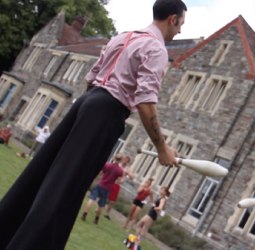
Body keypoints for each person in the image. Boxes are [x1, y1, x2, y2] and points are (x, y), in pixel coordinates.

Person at [0, 1, 186, 249]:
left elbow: (92, 76)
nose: (180, 31)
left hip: (87, 102)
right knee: (65, 190)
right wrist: (162, 147)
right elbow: (145, 101)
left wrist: (91, 107)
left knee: (41, 174)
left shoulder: (123, 37)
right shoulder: (156, 48)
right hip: (106, 112)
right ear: (173, 19)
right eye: (181, 24)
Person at [81, 154, 127, 224]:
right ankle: (96, 219)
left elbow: (100, 173)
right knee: (101, 205)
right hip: (107, 189)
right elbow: (120, 182)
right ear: (121, 160)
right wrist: (124, 177)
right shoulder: (120, 171)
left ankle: (84, 214)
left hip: (100, 185)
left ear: (114, 158)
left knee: (91, 200)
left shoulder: (107, 165)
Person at [104, 155, 133, 220]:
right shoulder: (118, 164)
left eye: (127, 161)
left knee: (112, 201)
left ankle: (107, 213)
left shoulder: (127, 169)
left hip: (117, 185)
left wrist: (129, 174)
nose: (125, 161)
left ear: (128, 162)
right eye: (125, 159)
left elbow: (131, 177)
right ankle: (99, 208)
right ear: (123, 159)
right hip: (111, 182)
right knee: (105, 196)